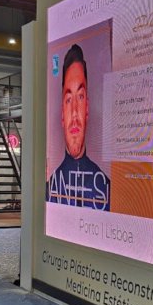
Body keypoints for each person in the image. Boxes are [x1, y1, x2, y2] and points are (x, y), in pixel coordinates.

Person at [47, 44, 110, 210]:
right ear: (62, 114)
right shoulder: (48, 191)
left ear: (87, 109)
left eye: (80, 97)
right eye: (69, 100)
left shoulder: (107, 190)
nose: (74, 113)